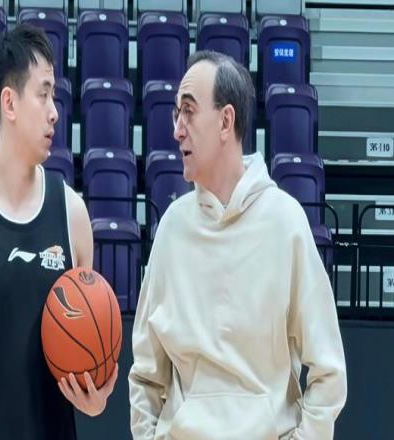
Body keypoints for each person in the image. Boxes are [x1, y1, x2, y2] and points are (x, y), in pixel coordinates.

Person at [129, 50, 347, 440]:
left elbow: (329, 372)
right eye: (176, 114)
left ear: (226, 121)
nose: (177, 129)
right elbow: (146, 375)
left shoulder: (285, 222)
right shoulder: (172, 228)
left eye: (188, 112)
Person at [0, 24, 117, 440]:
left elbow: (87, 364)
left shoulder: (73, 214)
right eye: (43, 94)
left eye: (55, 96)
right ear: (9, 103)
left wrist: (95, 397)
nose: (55, 111)